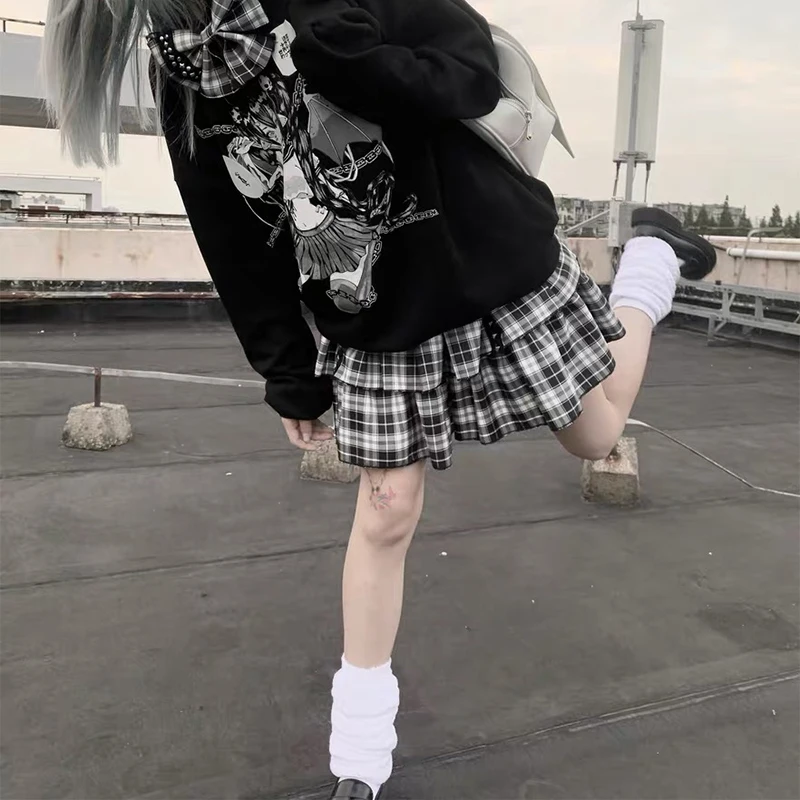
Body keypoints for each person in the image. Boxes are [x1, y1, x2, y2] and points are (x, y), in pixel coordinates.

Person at [44, 1, 716, 797]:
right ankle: (359, 761)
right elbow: (225, 228)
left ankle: (649, 264)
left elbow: (469, 67)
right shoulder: (185, 69)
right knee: (386, 507)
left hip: (488, 250)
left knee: (594, 433)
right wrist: (286, 370)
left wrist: (349, 59)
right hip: (369, 307)